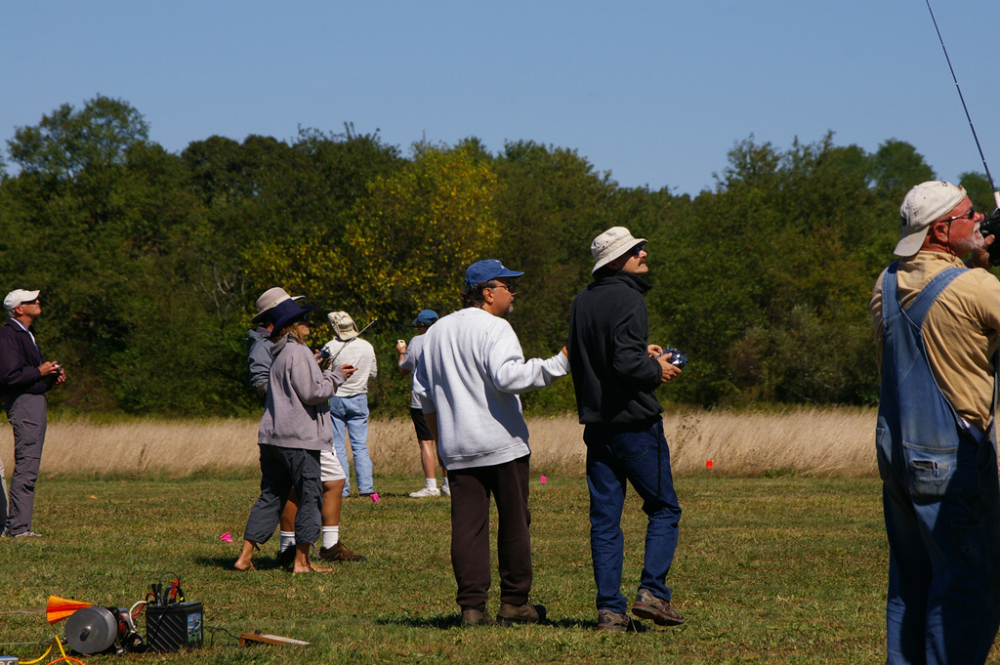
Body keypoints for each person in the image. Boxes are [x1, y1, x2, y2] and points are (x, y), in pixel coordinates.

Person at [870, 181, 1000, 664]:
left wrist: (982, 258)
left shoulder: (884, 282)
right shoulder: (974, 286)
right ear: (943, 230)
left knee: (911, 583)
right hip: (950, 458)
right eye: (973, 216)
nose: (983, 222)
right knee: (969, 587)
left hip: (895, 452)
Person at [414, 259, 569, 627]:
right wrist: (561, 362)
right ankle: (515, 603)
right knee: (515, 523)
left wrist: (442, 445)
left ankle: (472, 608)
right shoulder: (497, 328)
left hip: (458, 449)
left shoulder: (434, 333)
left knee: (467, 529)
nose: (514, 293)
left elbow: (423, 396)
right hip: (502, 445)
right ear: (488, 292)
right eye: (508, 286)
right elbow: (508, 377)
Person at [567, 227, 684, 632]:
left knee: (604, 521)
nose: (643, 251)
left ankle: (610, 613)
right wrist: (658, 368)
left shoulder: (582, 301)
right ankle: (653, 593)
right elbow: (626, 365)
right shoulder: (631, 298)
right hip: (635, 424)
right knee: (665, 509)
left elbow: (594, 359)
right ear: (618, 260)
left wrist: (643, 351)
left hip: (597, 428)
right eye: (636, 249)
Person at [234, 297, 363, 573]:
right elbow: (312, 393)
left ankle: (244, 557)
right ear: (291, 326)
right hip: (298, 440)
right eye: (303, 320)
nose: (308, 324)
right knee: (310, 495)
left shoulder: (279, 353)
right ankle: (302, 561)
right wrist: (337, 376)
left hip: (272, 438)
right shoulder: (299, 352)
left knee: (271, 496)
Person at [0, 290, 65, 538]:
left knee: (30, 463)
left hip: (34, 401)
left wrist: (49, 377)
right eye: (31, 301)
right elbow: (8, 376)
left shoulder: (27, 334)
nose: (37, 303)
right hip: (24, 404)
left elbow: (27, 376)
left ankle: (18, 526)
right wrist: (40, 371)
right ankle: (18, 529)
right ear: (18, 309)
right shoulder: (9, 334)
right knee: (27, 463)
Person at [321, 312, 378, 502]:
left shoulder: (330, 346)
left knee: (338, 446)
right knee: (360, 445)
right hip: (359, 398)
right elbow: (373, 373)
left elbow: (326, 374)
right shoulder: (367, 346)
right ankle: (366, 488)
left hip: (337, 398)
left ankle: (343, 489)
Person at [397, 309, 450, 498]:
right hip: (444, 397)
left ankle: (430, 486)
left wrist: (402, 353)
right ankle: (448, 483)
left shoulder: (416, 341)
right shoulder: (445, 338)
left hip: (421, 399)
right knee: (444, 440)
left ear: (421, 325)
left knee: (426, 441)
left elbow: (404, 369)